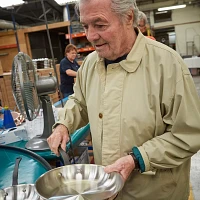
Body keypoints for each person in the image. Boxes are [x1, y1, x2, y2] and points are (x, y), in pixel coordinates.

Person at [47, 0, 200, 199]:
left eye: (100, 25)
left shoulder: (168, 65)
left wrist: (137, 158)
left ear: (128, 17)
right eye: (86, 26)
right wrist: (63, 124)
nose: (91, 36)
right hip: (108, 192)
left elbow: (188, 134)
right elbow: (79, 102)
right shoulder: (90, 65)